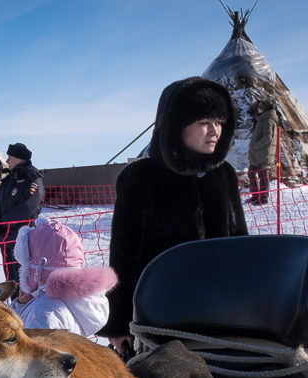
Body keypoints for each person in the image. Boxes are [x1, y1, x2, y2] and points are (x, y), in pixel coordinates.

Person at [99, 77, 249, 356]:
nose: (214, 130)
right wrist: (119, 323)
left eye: (218, 121)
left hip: (221, 315)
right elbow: (123, 257)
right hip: (161, 318)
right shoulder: (141, 177)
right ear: (177, 126)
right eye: (204, 122)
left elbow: (240, 243)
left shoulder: (224, 174)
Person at [11, 216, 116, 337]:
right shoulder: (74, 301)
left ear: (37, 269)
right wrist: (22, 305)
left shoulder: (44, 315)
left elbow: (23, 352)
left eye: (26, 264)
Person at [0, 142, 44, 283]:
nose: (6, 161)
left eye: (9, 158)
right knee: (10, 278)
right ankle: (13, 304)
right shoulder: (10, 179)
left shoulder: (32, 179)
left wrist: (3, 223)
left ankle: (24, 304)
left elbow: (27, 207)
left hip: (21, 236)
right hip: (4, 236)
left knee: (23, 277)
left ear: (18, 160)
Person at [248, 97, 278, 205]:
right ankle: (255, 195)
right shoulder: (262, 120)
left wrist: (256, 146)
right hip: (257, 153)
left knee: (262, 175)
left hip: (262, 153)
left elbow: (267, 137)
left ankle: (263, 197)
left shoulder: (268, 121)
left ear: (266, 109)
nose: (259, 109)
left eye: (261, 108)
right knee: (251, 173)